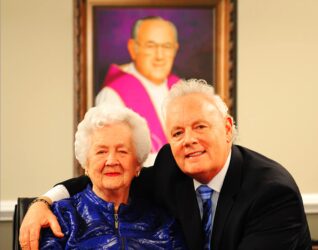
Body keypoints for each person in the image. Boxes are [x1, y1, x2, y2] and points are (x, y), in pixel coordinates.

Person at [20, 79, 312, 250]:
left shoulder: (272, 194)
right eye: (177, 132)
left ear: (226, 128)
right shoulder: (171, 168)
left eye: (200, 127)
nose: (189, 140)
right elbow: (110, 177)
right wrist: (42, 202)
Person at [38, 105, 186, 249]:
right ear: (86, 163)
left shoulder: (164, 223)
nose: (111, 161)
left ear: (137, 164)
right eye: (101, 152)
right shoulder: (62, 218)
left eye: (122, 151)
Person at [95, 16, 180, 165]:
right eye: (151, 46)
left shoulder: (182, 89)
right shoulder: (113, 95)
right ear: (133, 48)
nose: (159, 56)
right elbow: (112, 157)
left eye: (166, 46)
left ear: (175, 49)